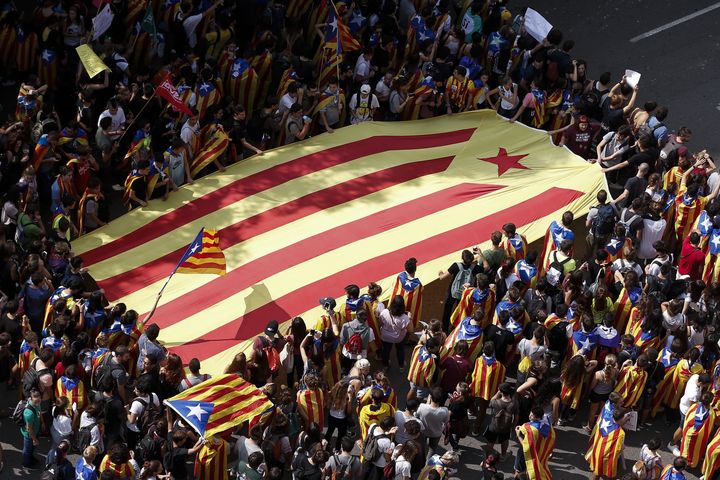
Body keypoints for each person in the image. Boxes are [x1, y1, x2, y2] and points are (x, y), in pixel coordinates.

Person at [514, 406, 555, 480]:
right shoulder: (546, 420)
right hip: (538, 451)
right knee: (529, 470)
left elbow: (526, 447)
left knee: (519, 470)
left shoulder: (530, 429)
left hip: (526, 453)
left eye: (532, 415)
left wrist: (518, 435)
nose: (529, 415)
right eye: (530, 413)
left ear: (538, 418)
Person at [379, 295, 412, 371]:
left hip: (385, 336)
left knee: (386, 351)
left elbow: (381, 322)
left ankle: (386, 366)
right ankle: (401, 366)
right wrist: (410, 318)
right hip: (399, 338)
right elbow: (410, 330)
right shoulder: (405, 318)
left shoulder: (384, 312)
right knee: (400, 350)